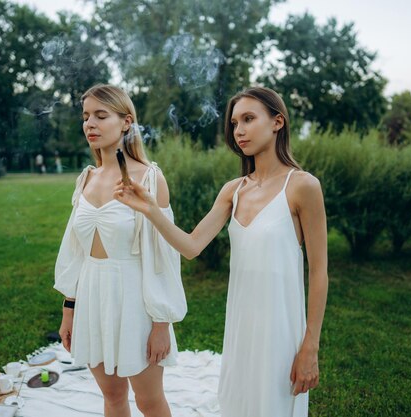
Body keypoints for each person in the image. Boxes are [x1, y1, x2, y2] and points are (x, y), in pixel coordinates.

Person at [114, 86, 328, 417]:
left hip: (281, 329)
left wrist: (310, 345)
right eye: (234, 123)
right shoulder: (234, 190)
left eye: (248, 119)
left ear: (277, 122)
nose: (239, 130)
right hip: (240, 324)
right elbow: (191, 246)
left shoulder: (302, 186)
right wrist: (151, 209)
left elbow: (319, 273)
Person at [54, 84, 187, 417]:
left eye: (101, 115)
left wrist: (161, 323)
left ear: (126, 122)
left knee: (148, 400)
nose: (90, 124)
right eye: (86, 117)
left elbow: (163, 258)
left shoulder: (150, 179)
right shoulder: (86, 179)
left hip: (136, 300)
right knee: (112, 396)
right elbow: (75, 253)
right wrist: (69, 308)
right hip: (92, 297)